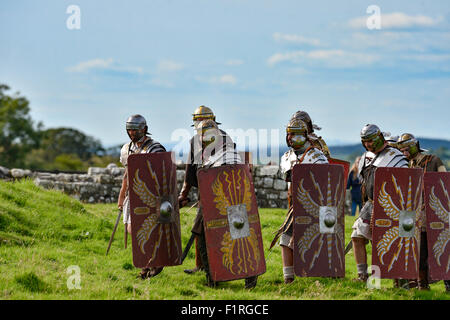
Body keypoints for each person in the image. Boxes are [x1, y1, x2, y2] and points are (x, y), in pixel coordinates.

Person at [184, 119, 258, 289]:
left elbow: (236, 181)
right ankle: (213, 278)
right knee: (201, 235)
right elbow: (201, 178)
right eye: (204, 136)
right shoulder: (204, 154)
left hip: (233, 205)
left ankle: (250, 277)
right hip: (210, 204)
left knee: (241, 238)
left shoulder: (229, 153)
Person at [272, 118, 328, 284]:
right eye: (288, 134)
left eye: (294, 134)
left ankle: (292, 278)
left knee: (291, 240)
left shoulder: (317, 157)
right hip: (295, 205)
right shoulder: (287, 157)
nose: (290, 138)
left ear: (304, 135)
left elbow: (326, 185)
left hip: (314, 207)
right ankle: (292, 278)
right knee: (287, 240)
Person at [351, 124, 408, 284]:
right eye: (365, 141)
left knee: (391, 242)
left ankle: (399, 280)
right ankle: (363, 275)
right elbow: (364, 183)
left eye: (370, 141)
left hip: (391, 206)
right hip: (370, 204)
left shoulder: (395, 156)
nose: (368, 144)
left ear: (379, 138)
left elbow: (404, 184)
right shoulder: (365, 157)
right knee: (357, 236)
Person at [396, 133, 449, 292]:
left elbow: (444, 184)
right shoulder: (404, 166)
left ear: (414, 145)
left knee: (442, 249)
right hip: (412, 215)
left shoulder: (433, 161)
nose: (404, 151)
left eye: (406, 147)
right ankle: (422, 285)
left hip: (433, 212)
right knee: (420, 251)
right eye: (401, 148)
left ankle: (448, 285)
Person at [117, 114, 166, 279]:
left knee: (139, 230)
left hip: (149, 196)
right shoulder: (127, 149)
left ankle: (152, 263)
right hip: (132, 196)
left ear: (144, 129)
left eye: (135, 129)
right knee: (134, 231)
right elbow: (127, 175)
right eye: (129, 129)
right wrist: (121, 196)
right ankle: (147, 265)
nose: (132, 133)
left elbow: (162, 175)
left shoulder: (154, 148)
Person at [178, 105, 222, 275]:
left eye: (203, 120)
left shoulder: (224, 139)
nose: (201, 123)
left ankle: (226, 265)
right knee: (200, 228)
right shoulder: (195, 142)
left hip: (224, 191)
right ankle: (201, 265)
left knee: (225, 229)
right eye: (198, 121)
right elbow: (191, 171)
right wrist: (184, 193)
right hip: (205, 192)